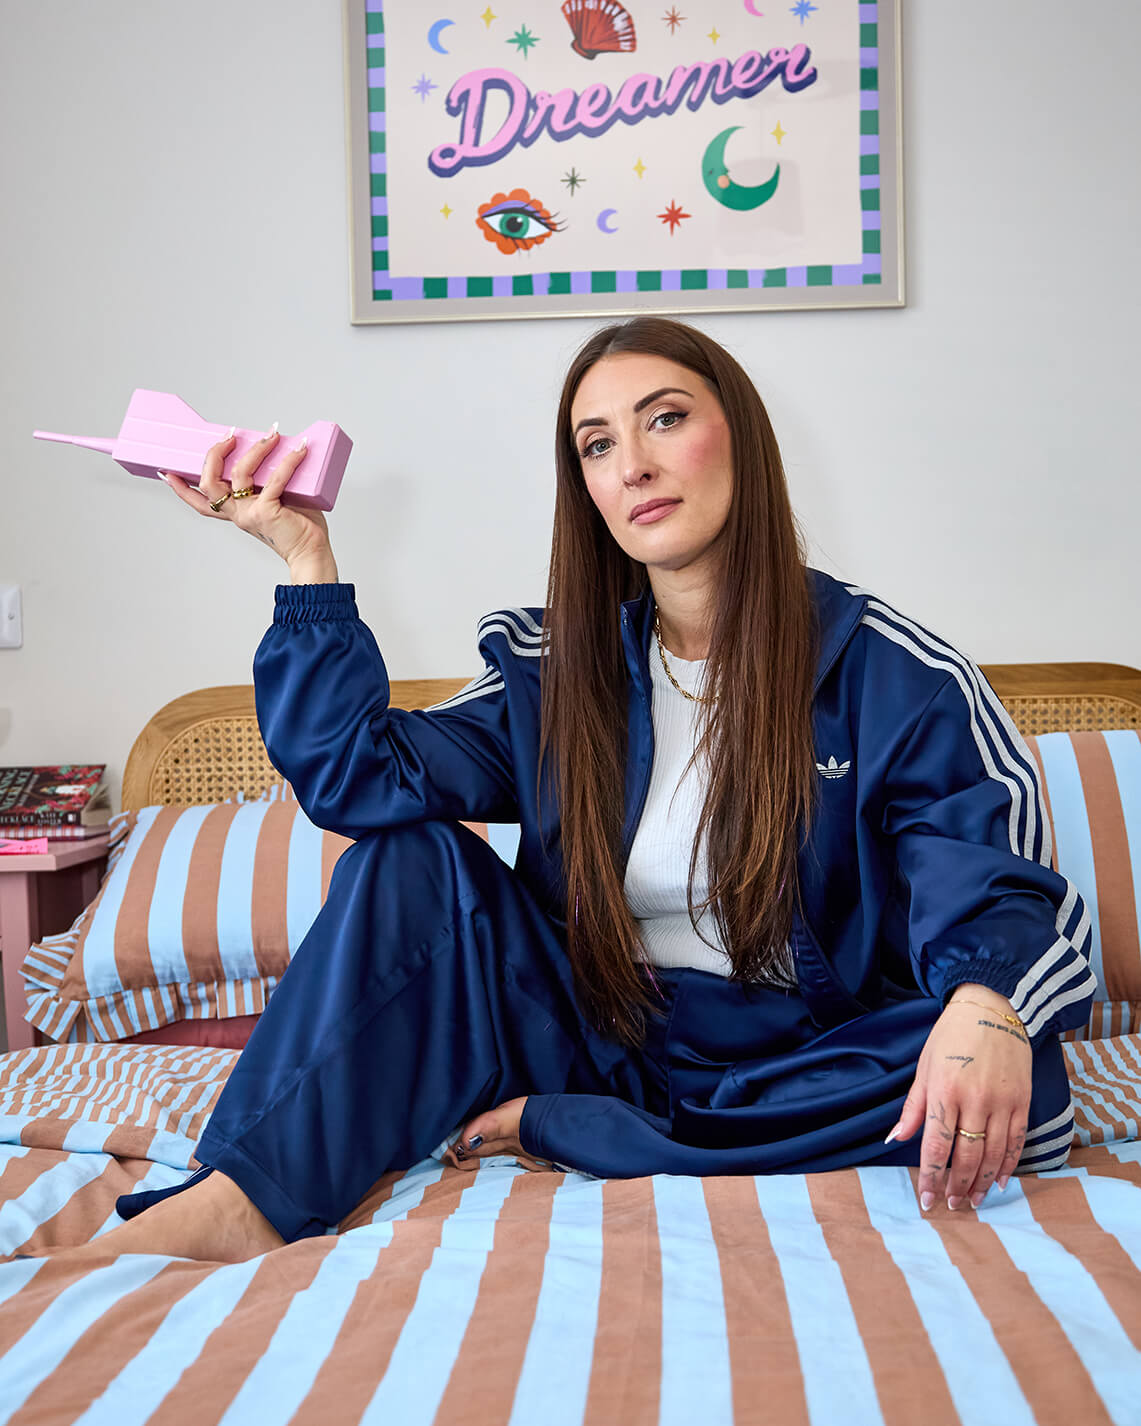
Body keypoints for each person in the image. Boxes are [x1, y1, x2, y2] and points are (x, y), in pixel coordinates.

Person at [75, 317, 1093, 1263]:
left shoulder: (891, 673)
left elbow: (990, 878)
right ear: (586, 489)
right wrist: (305, 558)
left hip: (806, 1057)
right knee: (409, 858)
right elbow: (359, 778)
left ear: (738, 436)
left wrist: (983, 1005)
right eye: (597, 444)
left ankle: (571, 1127)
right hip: (596, 1038)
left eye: (665, 419)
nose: (634, 462)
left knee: (1011, 1064)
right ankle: (240, 1197)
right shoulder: (554, 669)